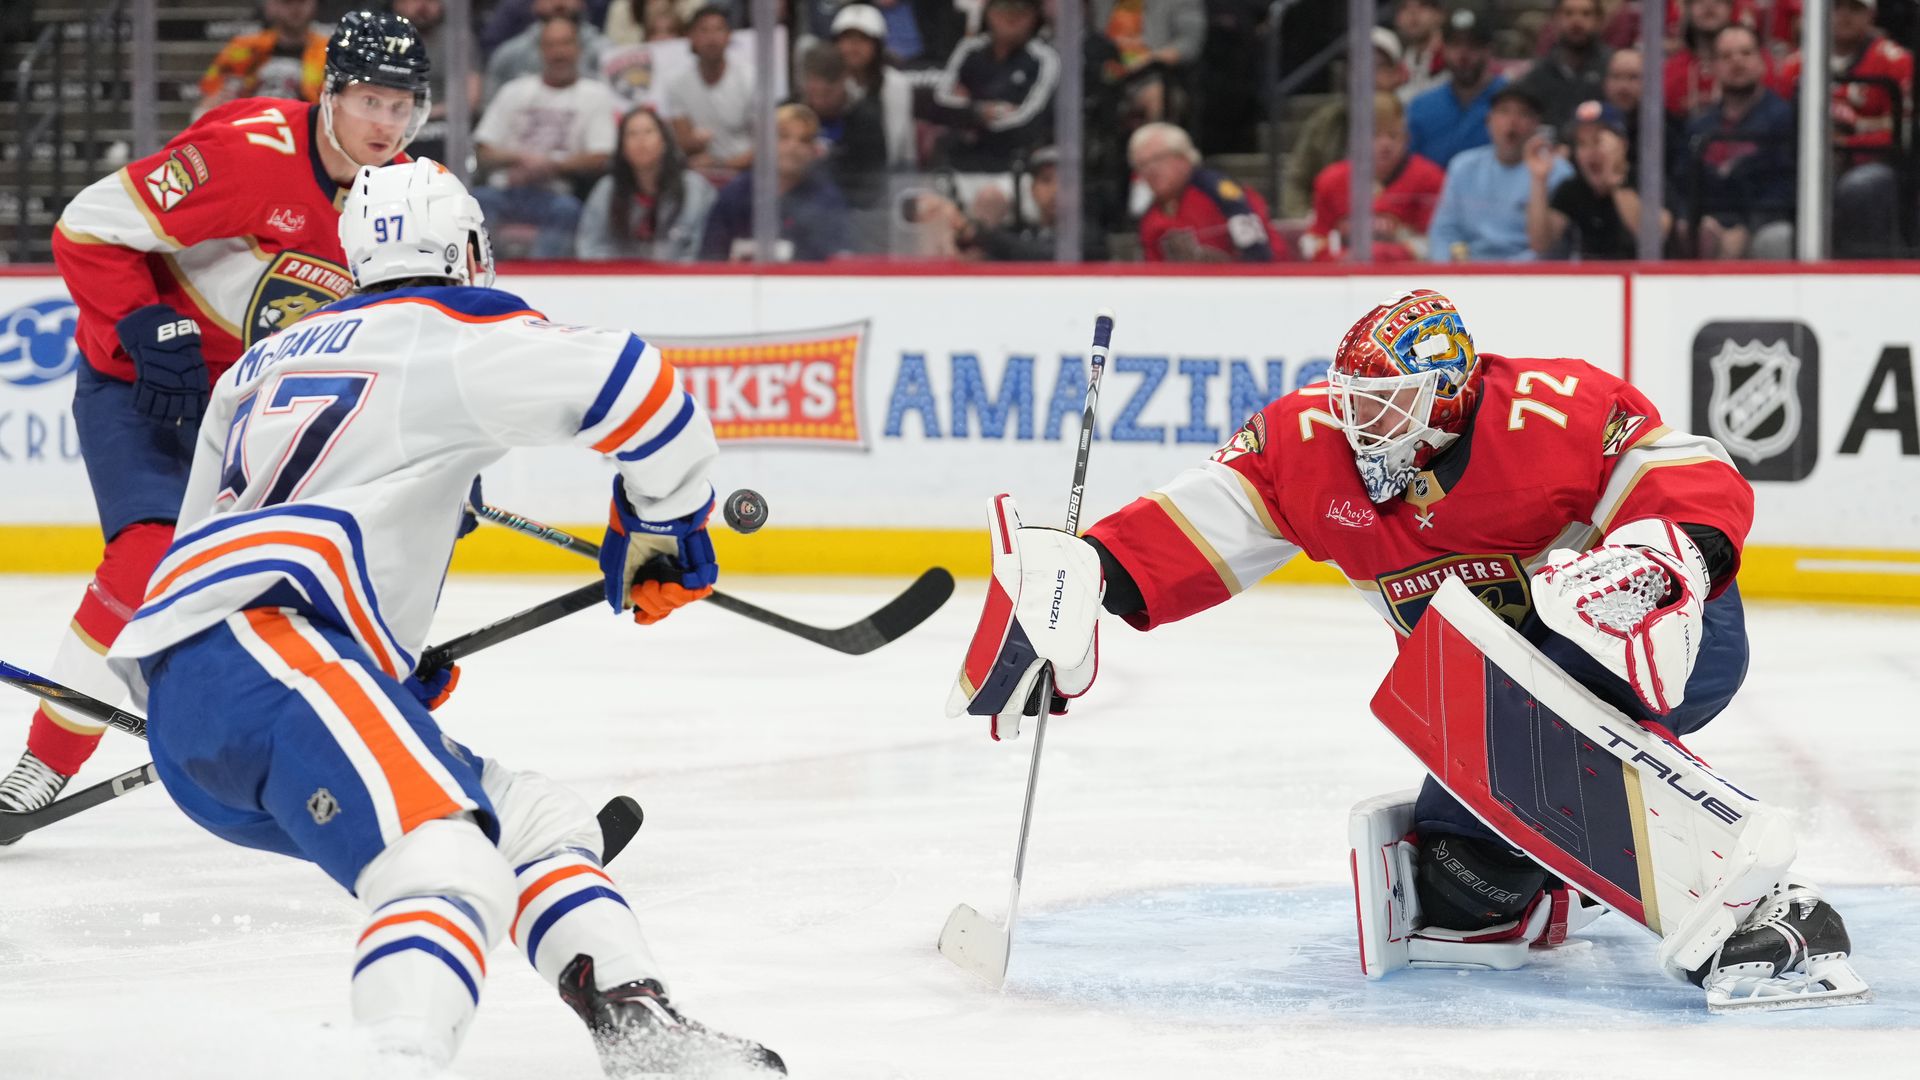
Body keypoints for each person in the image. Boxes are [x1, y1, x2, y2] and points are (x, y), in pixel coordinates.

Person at [950, 286, 1862, 1010]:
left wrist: (1660, 556)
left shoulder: (1552, 412)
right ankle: (1562, 869)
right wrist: (1081, 586)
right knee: (1459, 896)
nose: (1362, 429)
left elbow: (1688, 469)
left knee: (1552, 686)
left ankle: (1757, 902)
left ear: (1449, 396)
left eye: (1387, 408)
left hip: (1661, 635)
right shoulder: (1308, 445)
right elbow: (1195, 527)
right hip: (1487, 703)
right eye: (1355, 405)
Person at [101, 157, 784, 1075]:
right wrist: (663, 528)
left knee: (530, 819)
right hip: (272, 654)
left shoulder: (258, 365)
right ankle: (396, 1060)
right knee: (444, 860)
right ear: (466, 250)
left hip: (221, 677)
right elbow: (639, 385)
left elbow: (208, 543)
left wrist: (371, 663)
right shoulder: (452, 327)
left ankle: (640, 1028)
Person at [0, 12, 430, 822]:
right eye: (370, 100)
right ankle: (44, 761)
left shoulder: (413, 199)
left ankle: (353, 729)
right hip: (145, 386)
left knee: (326, 571)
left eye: (402, 105)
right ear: (331, 93)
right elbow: (87, 224)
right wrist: (142, 321)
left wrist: (443, 455)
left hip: (260, 411)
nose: (386, 123)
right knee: (146, 556)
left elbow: (424, 331)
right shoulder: (247, 154)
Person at [472, 15, 623, 258]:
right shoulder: (514, 91)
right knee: (474, 204)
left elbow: (601, 156)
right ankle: (485, 272)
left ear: (579, 48)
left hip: (558, 194)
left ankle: (544, 275)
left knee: (567, 211)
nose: (558, 52)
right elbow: (484, 149)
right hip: (504, 190)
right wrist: (520, 159)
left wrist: (551, 166)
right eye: (551, 45)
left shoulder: (595, 95)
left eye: (565, 43)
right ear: (540, 51)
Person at [1684, 24, 1796, 260]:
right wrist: (1699, 220)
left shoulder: (1784, 119)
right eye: (1726, 56)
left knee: (1778, 238)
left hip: (1764, 223)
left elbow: (1786, 187)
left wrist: (1746, 227)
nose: (1737, 61)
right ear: (1713, 66)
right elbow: (1685, 184)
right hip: (1713, 226)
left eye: (1746, 53)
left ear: (1762, 61)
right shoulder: (1699, 127)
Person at [1427, 85, 1572, 261]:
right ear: (1489, 120)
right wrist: (1450, 262)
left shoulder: (1557, 171)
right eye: (1504, 112)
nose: (1512, 122)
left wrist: (1499, 272)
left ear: (1536, 124)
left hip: (1528, 272)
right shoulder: (1463, 166)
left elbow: (1550, 248)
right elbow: (1443, 231)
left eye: (1523, 114)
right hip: (1469, 268)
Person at [1302, 91, 1445, 261]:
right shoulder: (1330, 180)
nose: (1386, 144)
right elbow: (1313, 240)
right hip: (1345, 272)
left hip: (1405, 274)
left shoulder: (1429, 177)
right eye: (1375, 135)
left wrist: (1391, 254)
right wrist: (1341, 257)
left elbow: (1437, 241)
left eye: (1393, 135)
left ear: (1406, 138)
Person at [1282, 26, 1408, 219]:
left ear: (1397, 73)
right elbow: (1297, 181)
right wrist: (1304, 219)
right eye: (1358, 64)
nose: (1367, 74)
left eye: (1378, 66)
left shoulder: (1412, 117)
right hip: (1332, 222)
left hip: (1397, 222)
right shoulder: (1326, 121)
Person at [701, 103, 851, 261]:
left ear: (814, 151)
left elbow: (835, 263)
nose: (793, 147)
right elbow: (709, 259)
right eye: (783, 137)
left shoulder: (826, 200)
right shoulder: (734, 195)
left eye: (804, 140)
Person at [933, 0, 1061, 172]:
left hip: (1016, 164)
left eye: (1021, 9)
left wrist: (966, 112)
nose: (1011, 16)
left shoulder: (1045, 58)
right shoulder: (969, 49)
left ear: (1035, 15)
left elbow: (1031, 120)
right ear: (988, 11)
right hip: (959, 160)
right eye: (1002, 7)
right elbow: (938, 103)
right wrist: (978, 112)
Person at [577, 105, 718, 260]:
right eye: (632, 134)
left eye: (648, 132)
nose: (641, 140)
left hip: (679, 273)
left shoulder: (695, 189)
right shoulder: (606, 190)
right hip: (619, 273)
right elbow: (591, 246)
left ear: (664, 141)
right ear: (622, 147)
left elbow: (704, 250)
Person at [1527, 99, 1661, 259]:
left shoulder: (1648, 180)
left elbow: (1654, 234)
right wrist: (1539, 180)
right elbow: (1540, 243)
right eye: (1582, 144)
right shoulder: (1573, 188)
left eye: (1598, 141)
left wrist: (1615, 179)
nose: (1590, 152)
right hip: (1589, 273)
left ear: (1622, 144)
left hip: (1641, 273)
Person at [1132, 121, 1282, 262]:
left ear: (1183, 158)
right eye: (1142, 164)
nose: (1150, 170)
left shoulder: (1219, 193)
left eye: (1158, 159)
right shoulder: (1150, 216)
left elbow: (1261, 253)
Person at [662, 5, 758, 175]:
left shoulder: (750, 79)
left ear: (729, 36)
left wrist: (722, 165)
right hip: (698, 172)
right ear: (691, 37)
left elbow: (765, 145)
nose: (712, 38)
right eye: (704, 30)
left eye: (718, 29)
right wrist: (694, 142)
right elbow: (683, 143)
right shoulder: (677, 83)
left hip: (745, 172)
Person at [1405, 6, 1506, 168]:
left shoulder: (1511, 103)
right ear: (1443, 48)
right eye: (1455, 44)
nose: (1463, 54)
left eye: (1473, 45)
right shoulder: (1421, 106)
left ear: (1489, 49)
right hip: (1434, 184)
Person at [795, 42, 890, 210]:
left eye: (827, 93)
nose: (820, 101)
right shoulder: (790, 114)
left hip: (851, 211)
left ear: (844, 79)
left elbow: (874, 184)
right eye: (814, 93)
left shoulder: (866, 121)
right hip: (794, 208)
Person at [196, 0, 329, 117]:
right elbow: (208, 103)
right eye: (286, 1)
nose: (295, 8)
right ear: (270, 5)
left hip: (309, 129)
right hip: (249, 126)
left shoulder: (330, 51)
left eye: (302, 1)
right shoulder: (243, 48)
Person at [833, 4, 919, 169]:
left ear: (878, 45)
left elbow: (904, 145)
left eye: (863, 39)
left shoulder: (896, 84)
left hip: (885, 171)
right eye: (847, 38)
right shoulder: (830, 82)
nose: (854, 46)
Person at [483, 0, 610, 105]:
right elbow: (491, 111)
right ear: (535, 4)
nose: (559, 4)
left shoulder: (607, 55)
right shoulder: (508, 57)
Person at [1514, 0, 1611, 128]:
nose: (1577, 21)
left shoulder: (1613, 70)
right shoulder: (1537, 76)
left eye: (1586, 14)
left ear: (1599, 21)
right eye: (1568, 13)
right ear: (1554, 20)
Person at [1394, 0, 1450, 102]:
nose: (1412, 12)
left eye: (1423, 4)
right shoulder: (1395, 66)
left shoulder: (1454, 60)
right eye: (1404, 6)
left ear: (1440, 14)